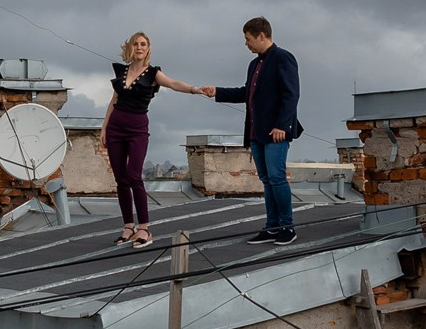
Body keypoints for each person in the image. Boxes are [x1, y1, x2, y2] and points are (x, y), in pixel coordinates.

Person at [200, 16, 303, 244]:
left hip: (276, 132)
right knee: (267, 180)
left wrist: (282, 125)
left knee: (277, 178)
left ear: (261, 35)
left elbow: (291, 94)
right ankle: (272, 227)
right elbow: (246, 93)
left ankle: (287, 227)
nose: (246, 43)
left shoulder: (283, 57)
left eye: (248, 39)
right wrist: (216, 91)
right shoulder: (254, 64)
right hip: (256, 132)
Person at [102, 31, 199, 249]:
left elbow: (174, 84)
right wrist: (104, 127)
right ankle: (128, 226)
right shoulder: (122, 71)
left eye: (143, 44)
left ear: (148, 49)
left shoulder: (153, 73)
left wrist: (195, 90)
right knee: (121, 179)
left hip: (137, 129)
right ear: (130, 47)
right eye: (136, 44)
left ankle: (144, 228)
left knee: (134, 175)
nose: (139, 47)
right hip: (115, 128)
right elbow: (114, 100)